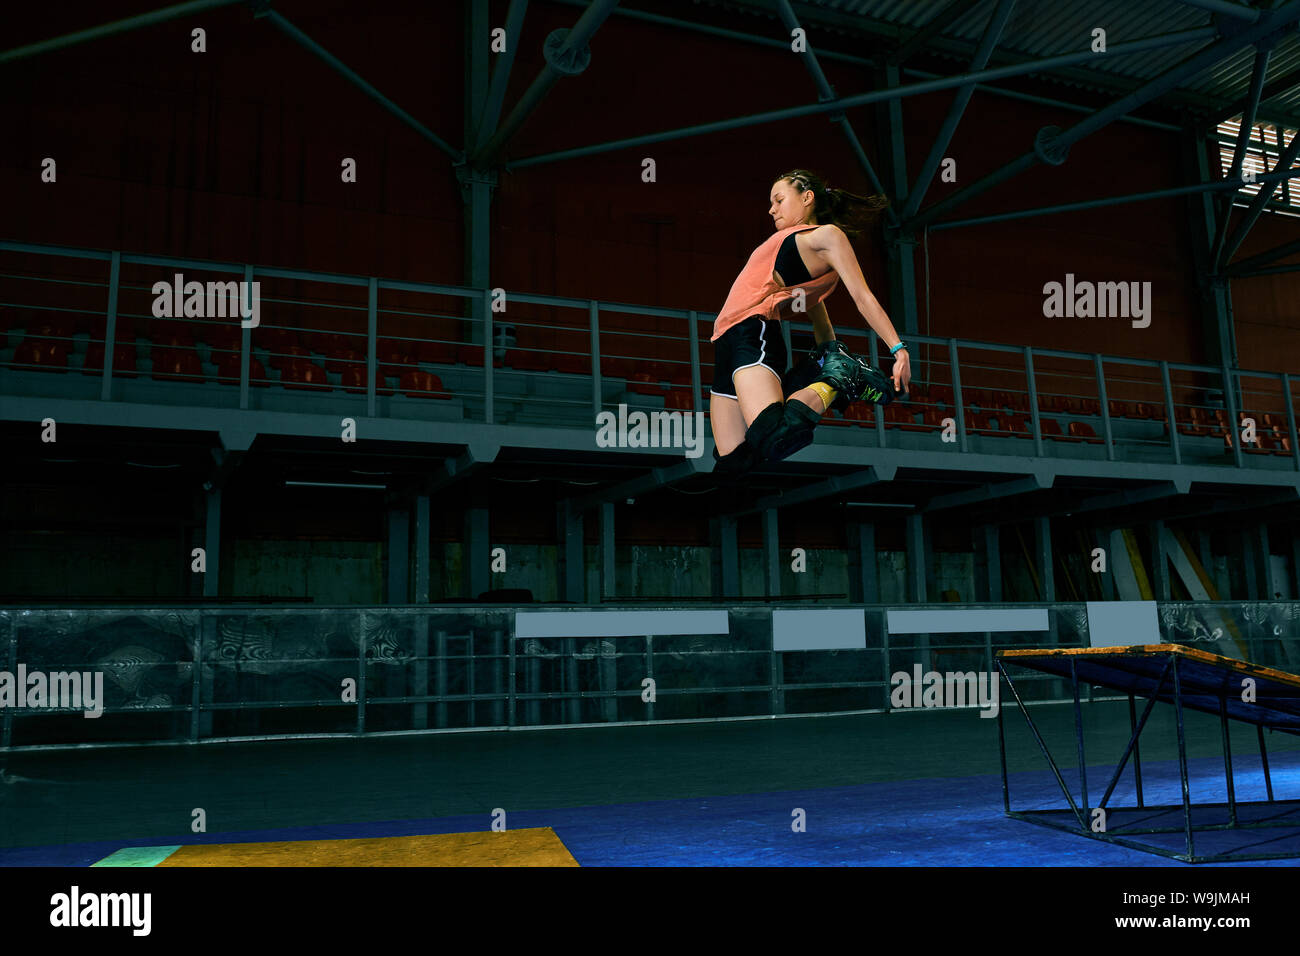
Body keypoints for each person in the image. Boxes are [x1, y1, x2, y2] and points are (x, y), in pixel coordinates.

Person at [709, 169, 912, 480]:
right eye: (770, 202)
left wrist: (898, 349)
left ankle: (840, 378)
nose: (771, 208)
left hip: (754, 332)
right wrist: (830, 350)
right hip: (725, 340)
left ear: (807, 198)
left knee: (776, 437)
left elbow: (863, 297)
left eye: (778, 200)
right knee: (732, 463)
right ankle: (833, 369)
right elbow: (815, 306)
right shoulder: (791, 245)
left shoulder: (827, 236)